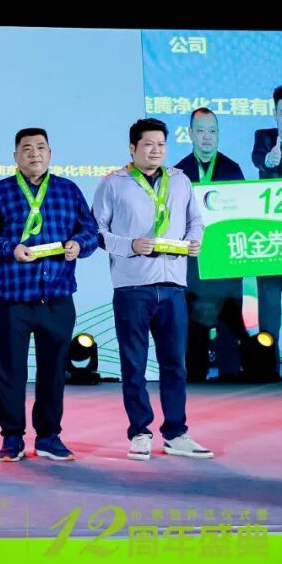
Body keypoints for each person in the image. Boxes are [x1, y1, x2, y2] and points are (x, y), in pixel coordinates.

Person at [0, 128, 99, 462]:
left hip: (57, 296)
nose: (34, 153)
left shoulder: (68, 190)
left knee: (54, 371)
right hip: (12, 298)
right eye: (26, 148)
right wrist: (9, 248)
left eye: (41, 147)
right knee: (10, 371)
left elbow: (90, 230)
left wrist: (78, 245)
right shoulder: (0, 191)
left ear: (50, 153)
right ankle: (12, 437)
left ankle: (49, 436)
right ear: (15, 156)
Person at [93, 118, 214, 461]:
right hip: (132, 287)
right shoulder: (113, 183)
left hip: (173, 285)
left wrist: (195, 241)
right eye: (148, 144)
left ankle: (176, 433)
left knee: (175, 364)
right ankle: (140, 432)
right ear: (132, 148)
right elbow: (97, 232)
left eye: (161, 144)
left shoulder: (180, 180)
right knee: (134, 364)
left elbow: (195, 220)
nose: (156, 150)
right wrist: (131, 245)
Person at [174, 108, 257, 382]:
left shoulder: (232, 169)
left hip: (225, 264)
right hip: (193, 264)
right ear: (190, 134)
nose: (207, 137)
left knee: (229, 324)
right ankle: (195, 379)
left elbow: (244, 216)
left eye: (212, 131)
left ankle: (231, 376)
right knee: (193, 324)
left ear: (218, 134)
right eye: (201, 131)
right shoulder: (178, 173)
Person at [250, 83, 282, 381]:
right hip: (271, 245)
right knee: (270, 315)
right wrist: (269, 160)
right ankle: (268, 372)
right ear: (274, 114)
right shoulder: (264, 137)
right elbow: (259, 158)